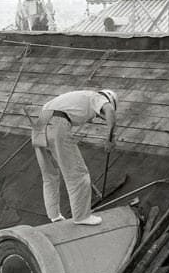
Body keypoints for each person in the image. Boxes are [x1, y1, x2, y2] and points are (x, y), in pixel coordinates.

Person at [31, 90, 117, 226]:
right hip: (57, 123)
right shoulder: (98, 97)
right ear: (108, 99)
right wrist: (110, 139)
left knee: (49, 175)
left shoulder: (78, 97)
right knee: (78, 175)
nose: (98, 117)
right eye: (100, 115)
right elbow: (110, 111)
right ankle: (82, 216)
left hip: (39, 124)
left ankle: (54, 216)